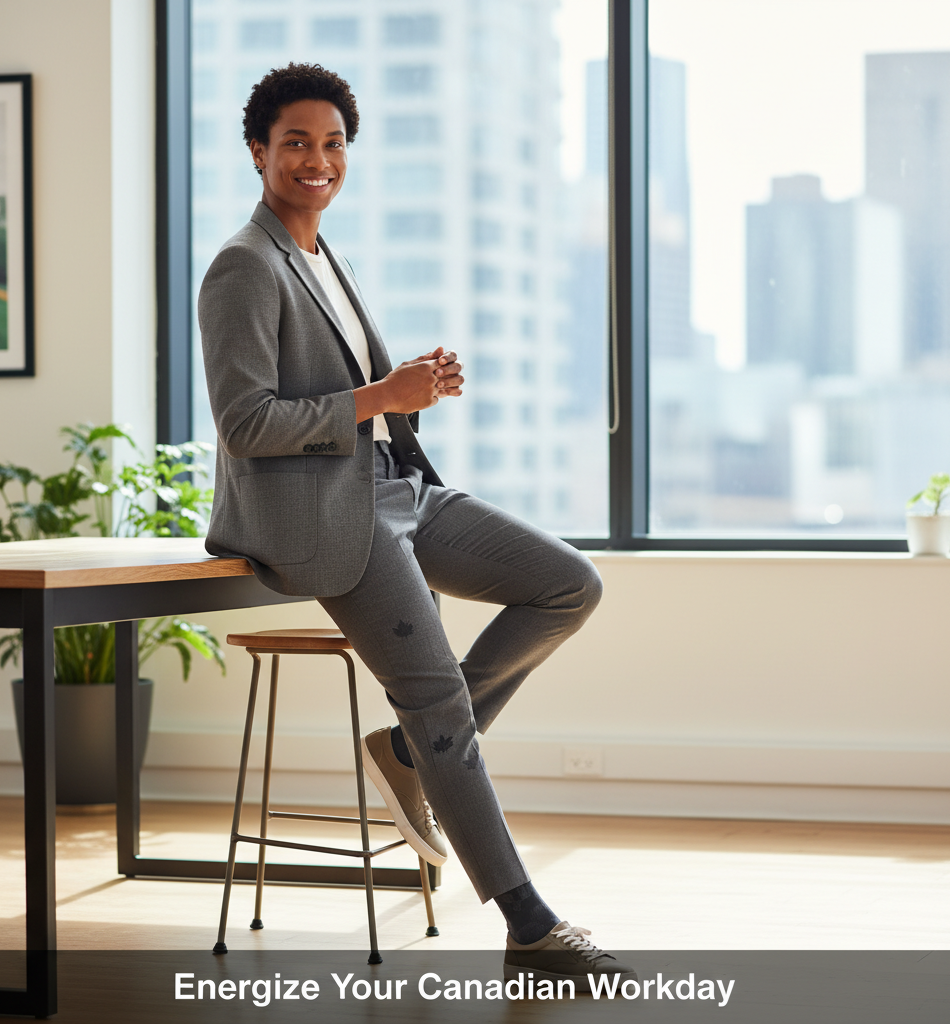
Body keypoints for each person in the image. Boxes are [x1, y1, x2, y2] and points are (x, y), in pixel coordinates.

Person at [198, 62, 635, 985]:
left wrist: (413, 391)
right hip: (328, 517)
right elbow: (245, 423)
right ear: (257, 153)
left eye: (332, 144)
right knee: (439, 698)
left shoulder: (324, 257)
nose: (317, 160)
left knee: (570, 584)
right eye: (296, 143)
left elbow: (356, 399)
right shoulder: (242, 265)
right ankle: (530, 928)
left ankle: (408, 750)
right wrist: (376, 395)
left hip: (398, 486)